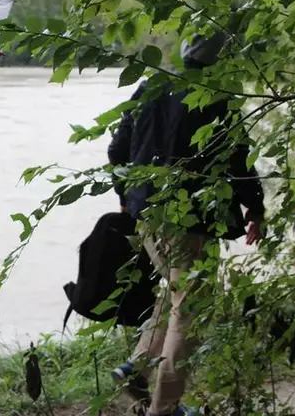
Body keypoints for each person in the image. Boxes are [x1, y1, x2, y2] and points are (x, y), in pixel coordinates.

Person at [106, 33, 266, 416]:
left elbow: (116, 151)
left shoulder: (150, 85)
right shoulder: (216, 97)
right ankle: (166, 408)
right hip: (190, 219)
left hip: (147, 214)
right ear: (223, 60)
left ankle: (136, 368)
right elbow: (238, 159)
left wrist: (128, 196)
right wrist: (255, 207)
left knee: (178, 295)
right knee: (189, 310)